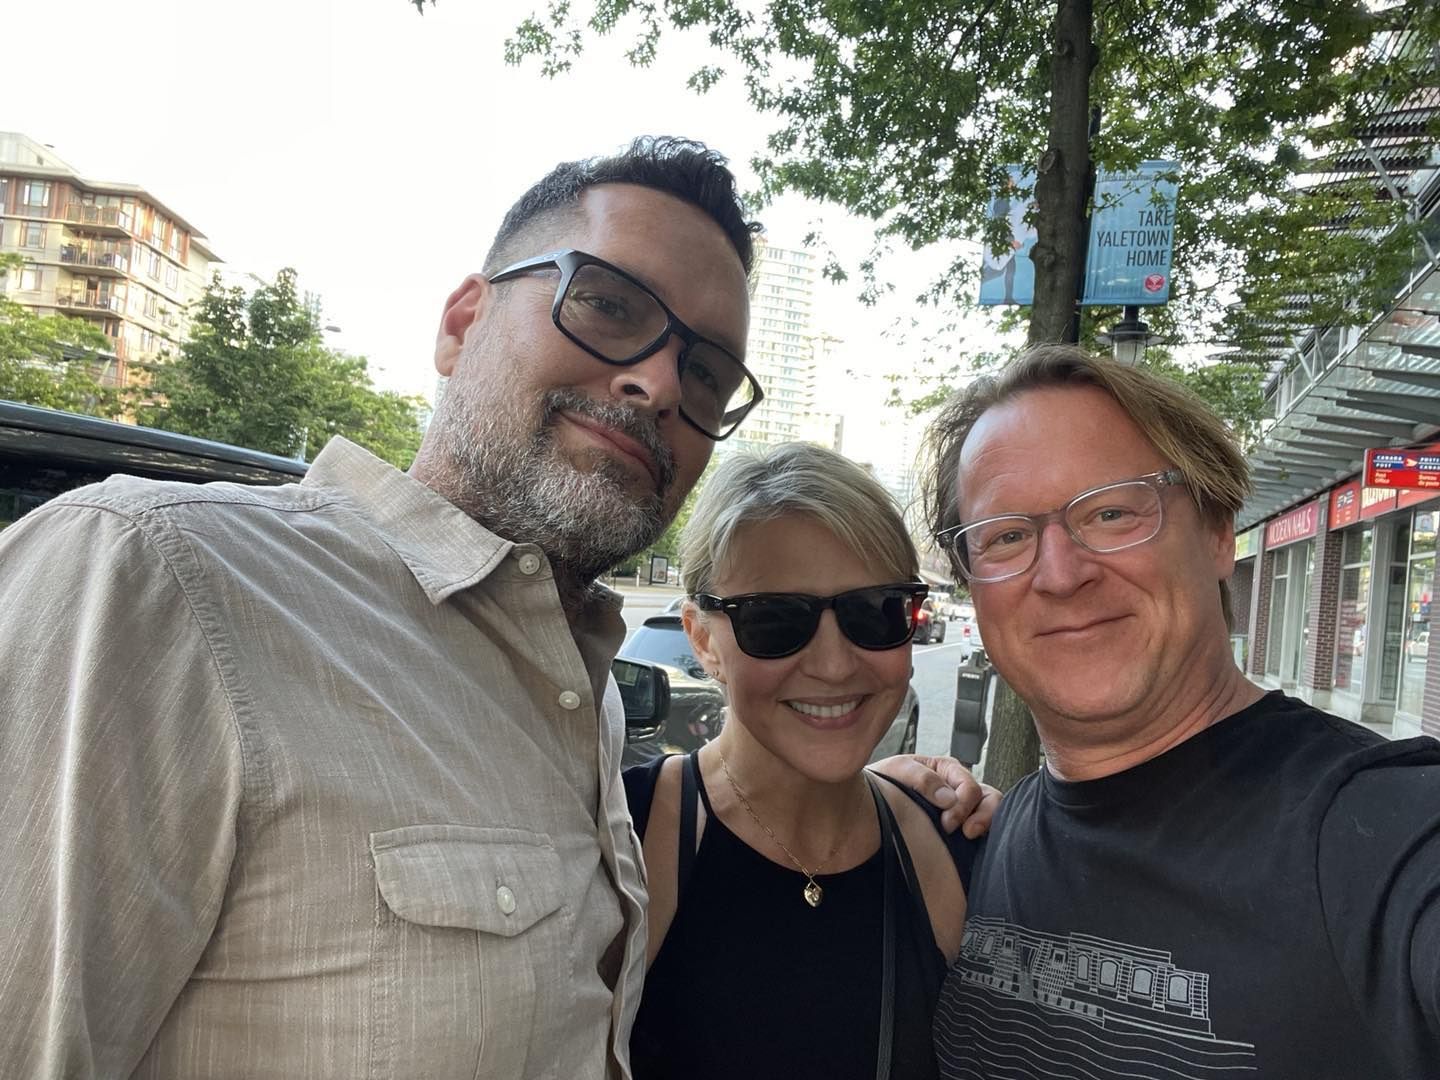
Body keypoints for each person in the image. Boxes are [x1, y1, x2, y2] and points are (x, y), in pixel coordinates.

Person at [0, 137, 763, 1079]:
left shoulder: (587, 691)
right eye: (610, 304)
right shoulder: (152, 576)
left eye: (707, 374)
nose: (661, 385)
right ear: (462, 324)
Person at [921, 344, 1440, 1079]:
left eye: (1110, 512)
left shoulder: (1387, 830)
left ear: (1219, 533)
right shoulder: (980, 847)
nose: (1061, 574)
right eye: (1006, 536)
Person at [623, 442, 979, 1080]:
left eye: (875, 612)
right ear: (703, 640)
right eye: (774, 620)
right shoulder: (622, 839)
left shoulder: (958, 846)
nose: (834, 664)